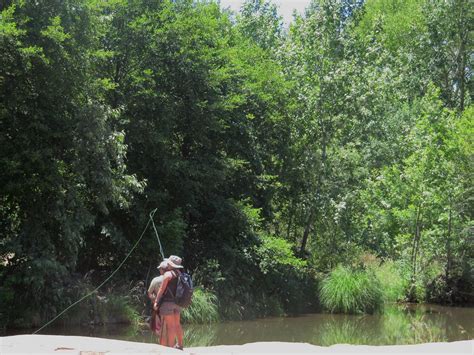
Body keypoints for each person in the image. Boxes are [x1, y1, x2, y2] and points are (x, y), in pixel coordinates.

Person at [153, 255, 184, 350]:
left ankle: (171, 348)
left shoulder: (167, 275)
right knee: (177, 324)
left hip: (167, 304)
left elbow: (161, 289)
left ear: (170, 264)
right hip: (178, 303)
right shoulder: (180, 273)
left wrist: (156, 302)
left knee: (170, 326)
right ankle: (180, 345)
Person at [147, 260, 168, 337]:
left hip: (158, 306)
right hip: (171, 305)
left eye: (160, 269)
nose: (159, 270)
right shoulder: (172, 279)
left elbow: (149, 293)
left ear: (162, 270)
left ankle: (162, 343)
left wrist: (154, 301)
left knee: (158, 326)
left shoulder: (156, 280)